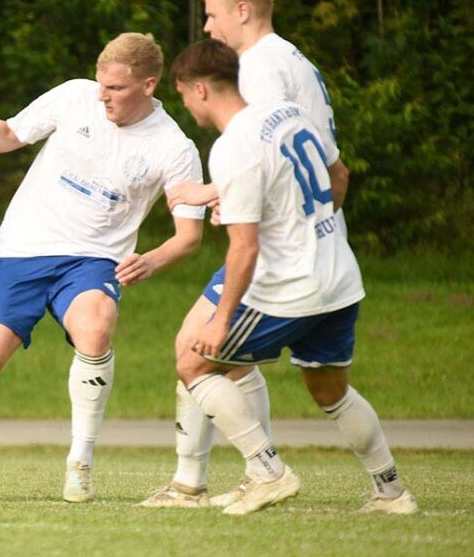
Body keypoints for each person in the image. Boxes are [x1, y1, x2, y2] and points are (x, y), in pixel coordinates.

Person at [0, 33, 205, 502]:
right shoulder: (75, 96)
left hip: (92, 259)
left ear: (149, 85)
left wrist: (151, 259)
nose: (102, 95)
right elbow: (9, 133)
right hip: (23, 247)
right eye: (101, 83)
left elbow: (189, 235)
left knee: (96, 327)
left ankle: (80, 462)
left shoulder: (174, 146)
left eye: (116, 88)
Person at [159, 38, 416, 515]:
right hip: (340, 277)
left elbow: (245, 247)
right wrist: (306, 227)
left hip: (289, 289)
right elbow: (338, 176)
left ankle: (266, 472)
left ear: (197, 90)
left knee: (193, 363)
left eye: (182, 96)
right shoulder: (285, 113)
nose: (187, 106)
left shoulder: (232, 146)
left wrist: (222, 320)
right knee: (330, 390)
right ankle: (391, 491)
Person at [143, 0, 351, 508]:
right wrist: (220, 196)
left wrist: (215, 196)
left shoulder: (255, 68)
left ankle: (221, 477)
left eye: (212, 14)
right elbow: (329, 170)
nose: (208, 28)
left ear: (241, 10)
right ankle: (377, 482)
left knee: (195, 349)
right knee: (232, 360)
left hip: (278, 250)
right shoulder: (290, 57)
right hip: (308, 240)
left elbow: (255, 156)